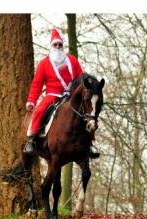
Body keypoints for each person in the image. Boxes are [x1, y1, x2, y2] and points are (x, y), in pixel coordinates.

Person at [24, 28, 99, 158]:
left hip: (71, 95)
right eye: (55, 45)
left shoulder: (72, 60)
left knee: (88, 113)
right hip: (52, 95)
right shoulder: (44, 63)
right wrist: (32, 101)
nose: (58, 47)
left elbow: (81, 78)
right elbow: (37, 84)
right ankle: (31, 139)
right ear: (51, 46)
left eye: (60, 45)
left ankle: (90, 143)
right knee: (39, 111)